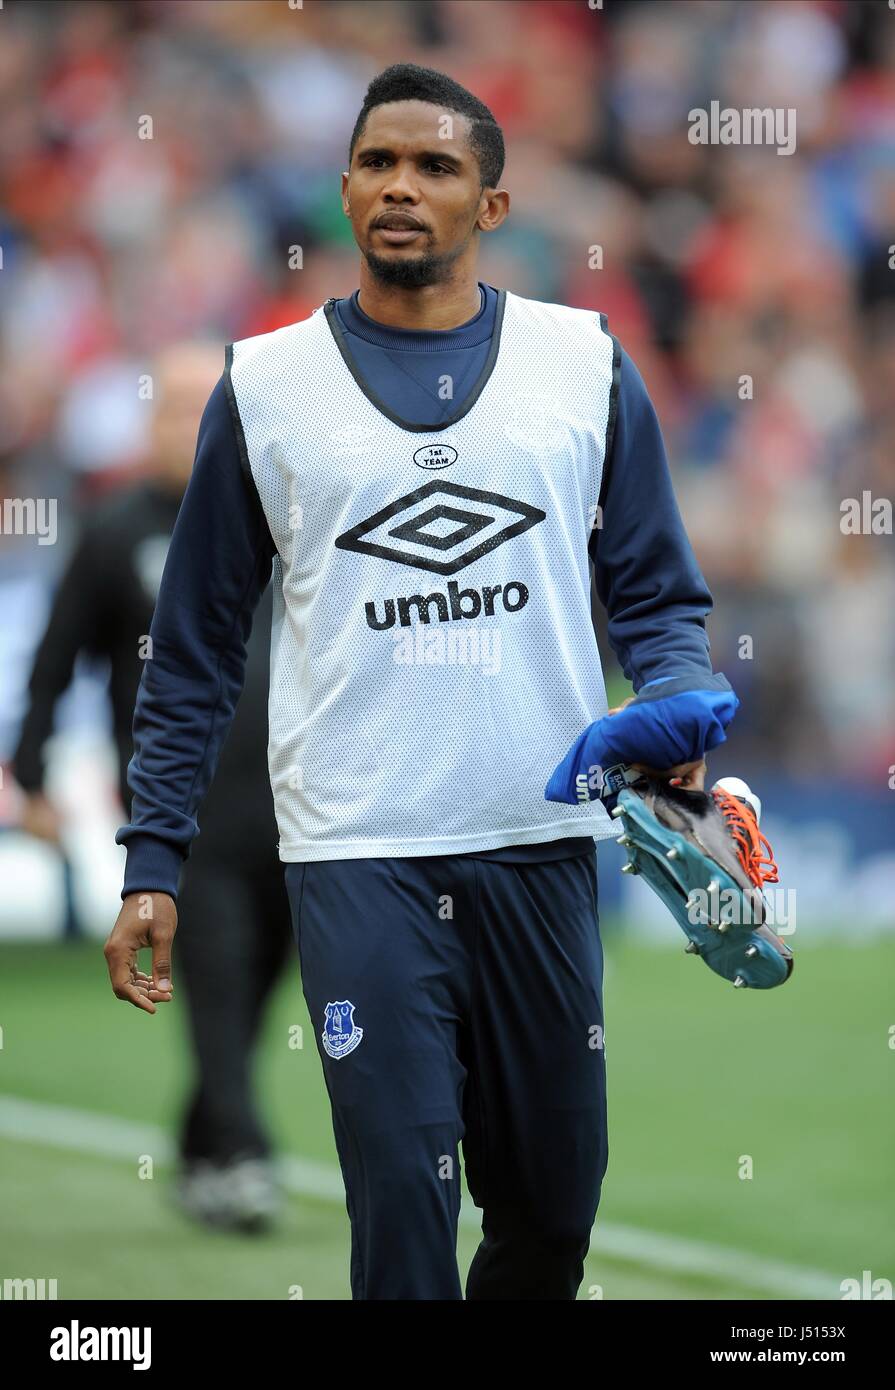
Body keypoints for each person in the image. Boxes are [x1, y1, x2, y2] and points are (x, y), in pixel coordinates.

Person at [105, 64, 734, 1299]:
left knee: (551, 1218)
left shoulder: (585, 363)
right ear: (344, 188)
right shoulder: (264, 387)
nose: (402, 186)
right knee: (401, 1207)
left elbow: (660, 598)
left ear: (490, 204)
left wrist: (674, 699)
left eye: (436, 166)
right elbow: (189, 651)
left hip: (541, 844)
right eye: (379, 163)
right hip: (358, 857)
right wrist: (150, 863)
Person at [15, 343, 292, 1231]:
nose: (191, 426)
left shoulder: (280, 518)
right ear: (148, 423)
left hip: (294, 805)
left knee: (258, 987)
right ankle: (246, 1157)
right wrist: (30, 774)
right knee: (213, 978)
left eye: (204, 408)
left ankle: (202, 1145)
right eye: (173, 410)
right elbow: (55, 664)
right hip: (180, 813)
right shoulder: (117, 531)